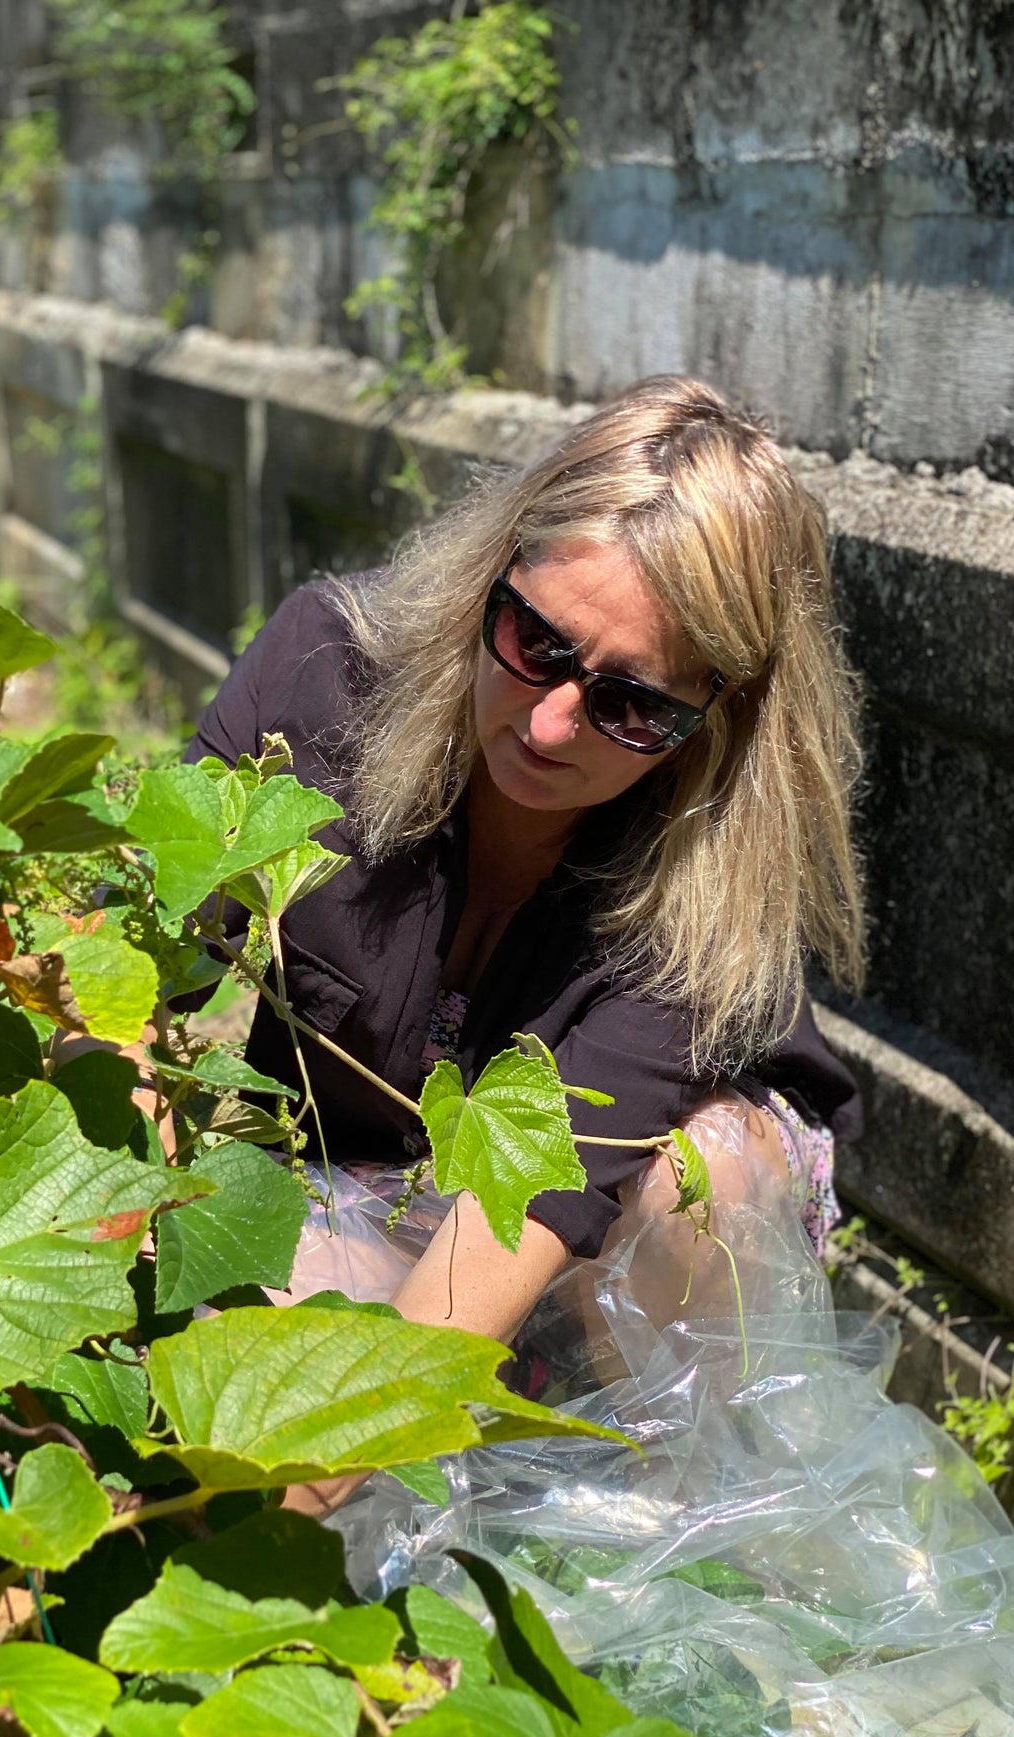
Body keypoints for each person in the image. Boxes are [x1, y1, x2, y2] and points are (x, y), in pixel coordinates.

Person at [183, 375, 865, 1424]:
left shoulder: (698, 892)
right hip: (378, 1171)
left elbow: (524, 1212)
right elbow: (122, 958)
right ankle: (514, 1411)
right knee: (237, 1332)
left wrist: (294, 1486)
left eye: (632, 705)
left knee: (704, 1179)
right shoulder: (322, 684)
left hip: (612, 1215)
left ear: (713, 720)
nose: (551, 725)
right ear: (493, 571)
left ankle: (691, 1497)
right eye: (537, 643)